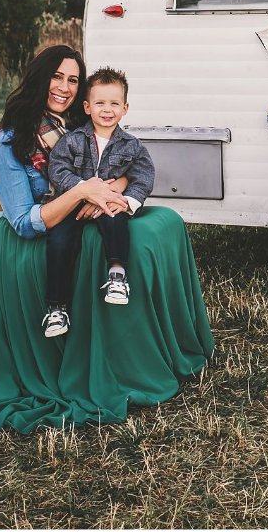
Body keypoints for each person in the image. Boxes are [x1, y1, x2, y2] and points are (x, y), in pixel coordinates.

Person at [0, 45, 213, 432]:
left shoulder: (79, 125)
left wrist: (112, 190)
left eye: (72, 80)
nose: (64, 87)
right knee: (132, 245)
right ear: (40, 78)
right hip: (36, 235)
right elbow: (24, 222)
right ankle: (114, 354)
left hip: (86, 214)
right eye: (56, 77)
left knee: (165, 223)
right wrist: (82, 193)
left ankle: (160, 343)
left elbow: (122, 167)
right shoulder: (11, 141)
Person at [42, 67, 155, 336]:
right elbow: (57, 168)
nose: (107, 110)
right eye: (100, 103)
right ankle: (56, 309)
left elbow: (144, 175)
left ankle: (117, 275)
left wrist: (127, 202)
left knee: (116, 221)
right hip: (74, 205)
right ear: (87, 107)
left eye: (114, 103)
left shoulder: (132, 145)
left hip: (110, 204)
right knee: (59, 240)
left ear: (125, 108)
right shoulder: (72, 140)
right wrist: (82, 190)